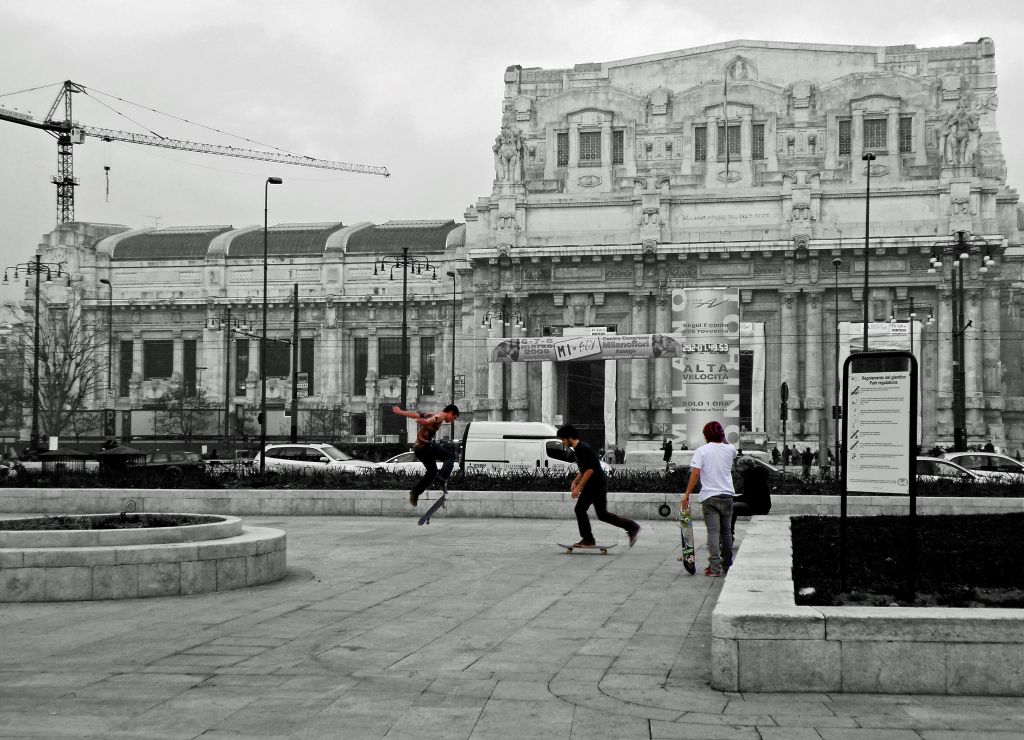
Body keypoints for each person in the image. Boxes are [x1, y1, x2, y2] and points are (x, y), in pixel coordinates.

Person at [557, 424, 640, 549]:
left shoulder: (582, 448)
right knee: (602, 514)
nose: (562, 442)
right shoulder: (579, 448)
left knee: (580, 509)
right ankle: (632, 527)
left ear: (569, 437)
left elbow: (589, 470)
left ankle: (588, 539)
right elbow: (583, 469)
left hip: (595, 485)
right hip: (596, 484)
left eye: (562, 439)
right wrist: (575, 482)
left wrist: (579, 487)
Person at [681, 421, 737, 577]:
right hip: (727, 496)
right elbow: (728, 446)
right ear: (721, 434)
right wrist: (722, 435)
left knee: (713, 533)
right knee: (726, 532)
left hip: (710, 497)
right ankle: (728, 564)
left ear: (706, 435)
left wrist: (687, 494)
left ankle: (714, 567)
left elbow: (696, 473)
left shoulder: (702, 451)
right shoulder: (730, 449)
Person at [391, 404, 460, 506]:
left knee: (432, 472)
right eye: (453, 418)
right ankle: (441, 478)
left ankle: (415, 493)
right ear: (450, 412)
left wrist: (400, 412)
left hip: (418, 449)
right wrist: (427, 422)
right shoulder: (442, 415)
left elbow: (415, 415)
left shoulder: (432, 414)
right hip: (426, 447)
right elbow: (437, 418)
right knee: (450, 457)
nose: (452, 420)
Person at [732, 456, 772, 536]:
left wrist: (734, 499)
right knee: (731, 506)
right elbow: (750, 495)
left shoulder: (751, 476)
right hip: (762, 505)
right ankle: (727, 535)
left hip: (758, 506)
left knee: (730, 508)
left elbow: (750, 497)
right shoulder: (756, 474)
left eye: (739, 466)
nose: (737, 469)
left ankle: (728, 535)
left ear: (745, 466)